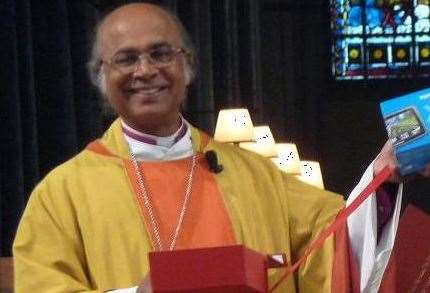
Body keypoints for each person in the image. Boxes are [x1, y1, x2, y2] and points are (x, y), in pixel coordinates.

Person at [12, 3, 428, 292]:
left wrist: (382, 175)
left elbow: (337, 242)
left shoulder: (255, 174)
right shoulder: (62, 193)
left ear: (187, 65)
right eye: (125, 58)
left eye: (161, 53)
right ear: (100, 77)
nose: (145, 71)